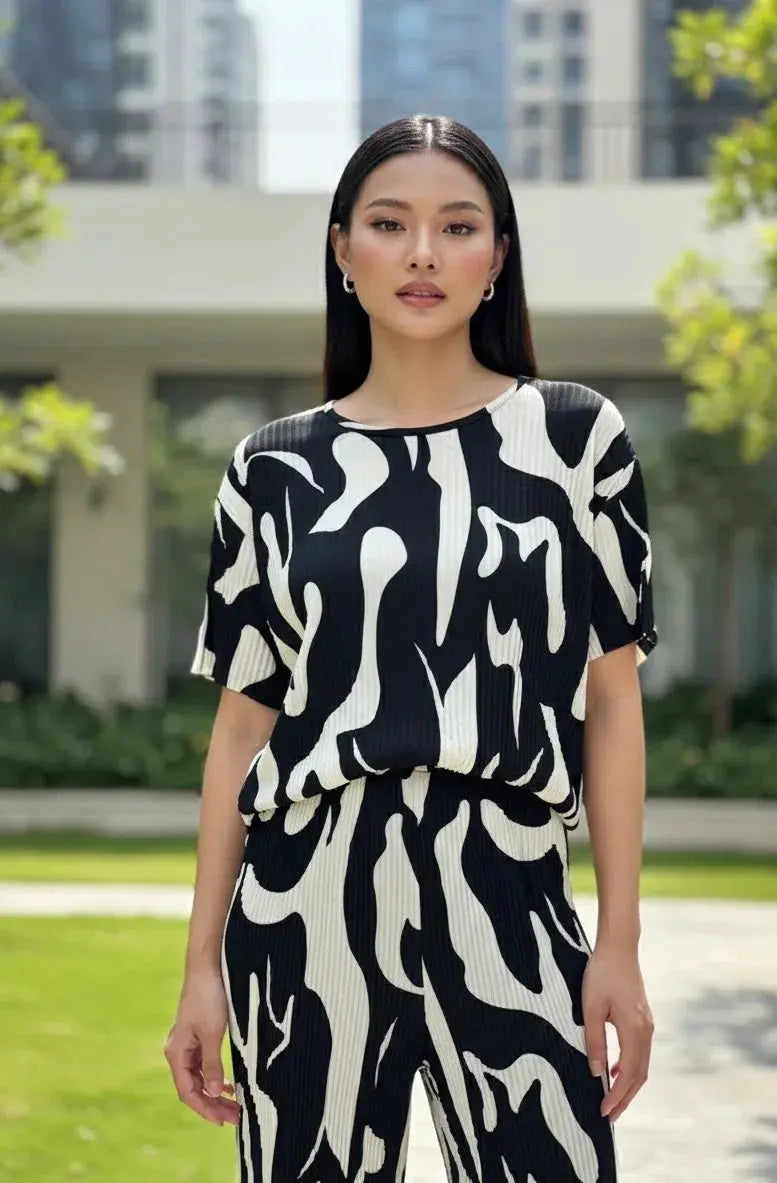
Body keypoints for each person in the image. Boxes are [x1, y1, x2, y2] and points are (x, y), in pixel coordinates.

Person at [164, 113, 657, 1183]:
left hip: (512, 889)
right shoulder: (270, 471)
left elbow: (612, 705)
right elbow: (241, 731)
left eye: (458, 225)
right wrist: (201, 968)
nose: (424, 252)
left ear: (498, 256)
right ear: (344, 251)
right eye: (390, 223)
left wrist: (616, 942)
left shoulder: (578, 441)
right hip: (304, 904)